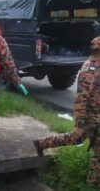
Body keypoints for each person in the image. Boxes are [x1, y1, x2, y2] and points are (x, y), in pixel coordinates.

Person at [33, 36, 100, 188]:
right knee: (83, 143)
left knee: (75, 139)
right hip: (90, 118)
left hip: (96, 117)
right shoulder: (90, 69)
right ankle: (93, 184)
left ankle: (41, 144)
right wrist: (79, 124)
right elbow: (81, 99)